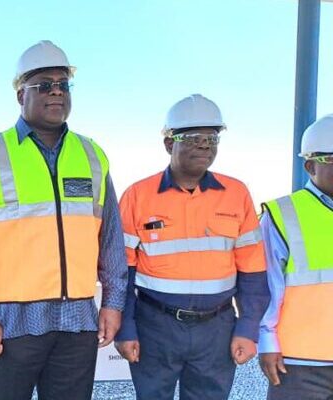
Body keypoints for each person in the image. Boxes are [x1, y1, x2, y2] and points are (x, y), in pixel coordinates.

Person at [0, 40, 127, 400]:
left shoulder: (92, 156)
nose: (56, 93)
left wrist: (112, 303)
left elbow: (110, 237)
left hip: (78, 320)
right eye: (44, 85)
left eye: (63, 85)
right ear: (21, 95)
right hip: (12, 323)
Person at [115, 94, 269, 400]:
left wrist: (248, 328)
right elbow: (122, 273)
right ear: (169, 144)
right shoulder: (137, 196)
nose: (205, 146)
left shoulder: (236, 194)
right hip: (155, 328)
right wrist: (126, 329)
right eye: (194, 137)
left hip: (217, 329)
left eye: (212, 138)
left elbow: (252, 271)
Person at [259, 114, 333, 400]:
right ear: (310, 165)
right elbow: (266, 286)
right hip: (299, 363)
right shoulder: (282, 214)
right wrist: (267, 341)